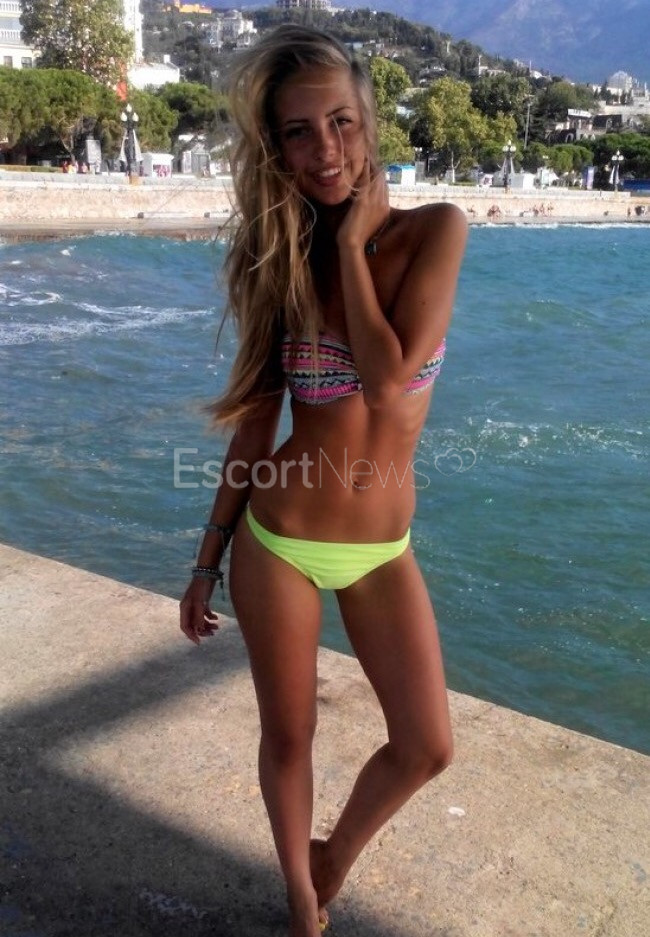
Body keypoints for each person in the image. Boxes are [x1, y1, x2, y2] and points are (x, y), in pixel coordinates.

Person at [180, 25, 467, 937]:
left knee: (426, 744)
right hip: (281, 541)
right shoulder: (279, 261)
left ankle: (332, 857)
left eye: (340, 121)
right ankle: (303, 904)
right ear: (276, 147)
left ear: (368, 119)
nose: (326, 148)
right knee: (290, 734)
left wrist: (351, 247)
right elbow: (255, 422)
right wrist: (208, 556)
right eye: (298, 132)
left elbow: (388, 381)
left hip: (383, 546)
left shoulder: (436, 232)